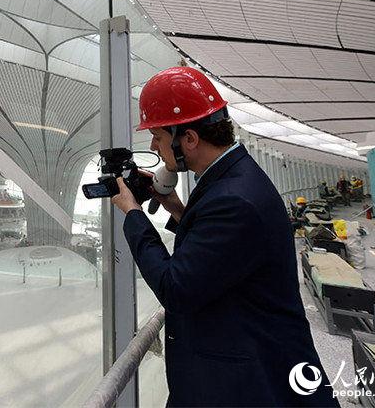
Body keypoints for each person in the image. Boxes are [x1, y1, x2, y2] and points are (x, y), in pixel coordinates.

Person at [111, 66, 338, 407]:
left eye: (157, 135)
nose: (154, 145)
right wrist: (176, 208)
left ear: (189, 139)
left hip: (248, 385)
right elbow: (223, 254)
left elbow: (176, 289)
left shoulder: (234, 200)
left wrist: (133, 213)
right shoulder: (234, 179)